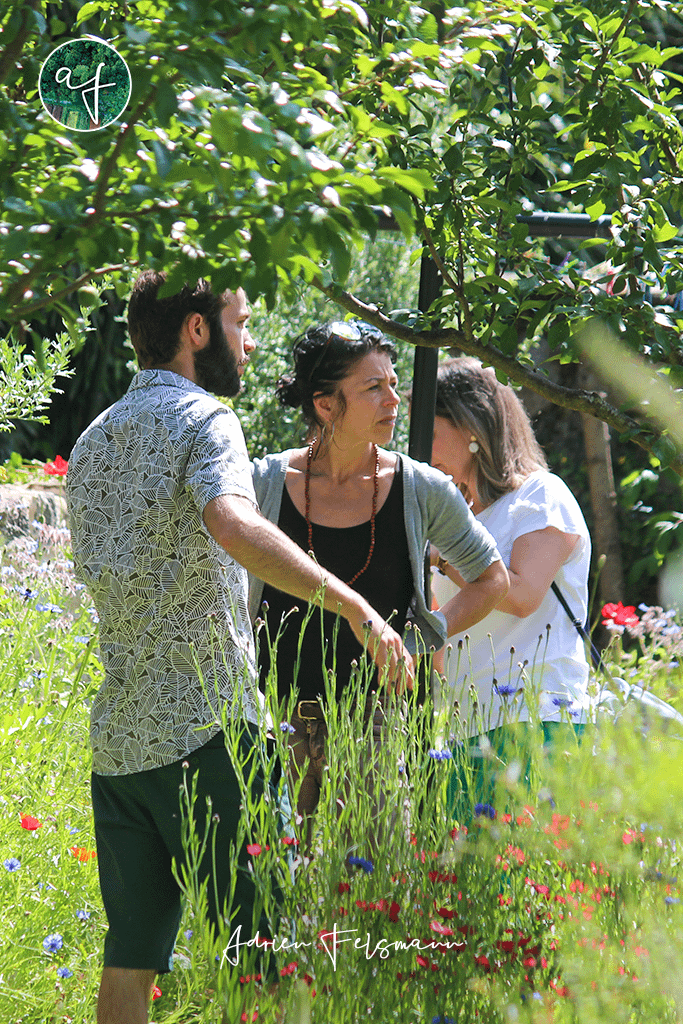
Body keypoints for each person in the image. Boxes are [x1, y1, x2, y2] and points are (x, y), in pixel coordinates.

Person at [66, 275, 413, 1024]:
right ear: (197, 330)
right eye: (241, 322)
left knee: (128, 965)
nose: (250, 342)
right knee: (262, 954)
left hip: (120, 744)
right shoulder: (206, 419)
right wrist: (354, 605)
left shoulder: (94, 437)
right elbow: (228, 520)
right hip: (211, 732)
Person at [249, 321, 509, 839]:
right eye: (374, 387)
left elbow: (491, 577)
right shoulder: (263, 484)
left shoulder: (420, 488)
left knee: (362, 892)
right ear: (325, 404)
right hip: (272, 726)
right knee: (277, 894)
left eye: (392, 384)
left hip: (377, 729)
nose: (394, 398)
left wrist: (422, 636)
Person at [426, 357, 592, 817]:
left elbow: (522, 597)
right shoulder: (458, 520)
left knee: (528, 878)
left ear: (471, 426)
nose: (420, 448)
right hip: (467, 727)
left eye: (431, 431)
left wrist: (442, 556)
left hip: (537, 720)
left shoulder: (540, 496)